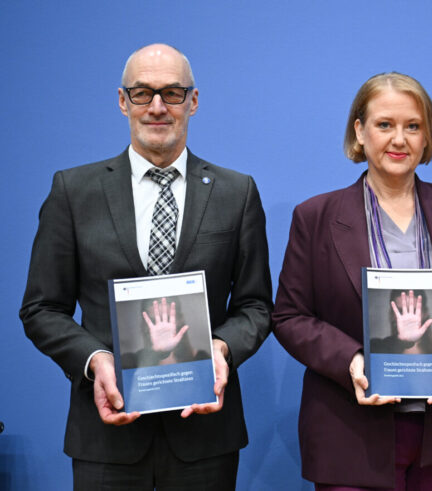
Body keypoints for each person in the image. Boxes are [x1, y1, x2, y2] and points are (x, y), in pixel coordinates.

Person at [19, 43, 273, 490]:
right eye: (143, 93)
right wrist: (96, 360)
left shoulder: (237, 193)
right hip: (106, 433)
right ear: (123, 102)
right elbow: (42, 308)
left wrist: (221, 350)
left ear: (193, 102)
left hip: (205, 436)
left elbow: (256, 305)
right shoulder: (73, 192)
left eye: (173, 93)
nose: (157, 107)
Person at [272, 72, 432, 490]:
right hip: (350, 432)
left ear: (427, 137)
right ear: (359, 131)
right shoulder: (316, 216)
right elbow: (289, 316)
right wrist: (353, 360)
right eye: (385, 125)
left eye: (413, 126)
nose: (400, 139)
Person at [370, 290, 432, 355]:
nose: (407, 318)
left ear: (425, 313)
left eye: (414, 310)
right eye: (400, 311)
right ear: (392, 314)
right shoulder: (377, 347)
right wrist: (401, 341)